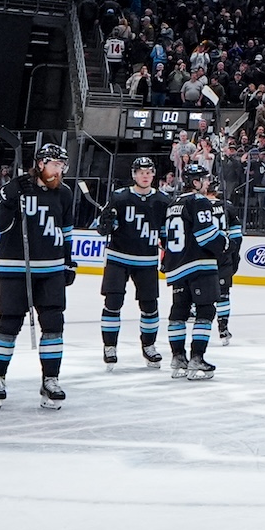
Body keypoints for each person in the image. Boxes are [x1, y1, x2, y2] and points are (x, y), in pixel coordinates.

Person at [0, 142, 75, 407]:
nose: (58, 170)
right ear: (40, 164)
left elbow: (66, 232)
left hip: (52, 270)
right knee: (9, 326)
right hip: (16, 269)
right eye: (54, 165)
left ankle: (51, 379)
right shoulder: (16, 189)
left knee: (54, 326)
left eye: (62, 165)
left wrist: (69, 263)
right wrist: (11, 197)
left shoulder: (65, 194)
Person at [97, 157, 166, 371]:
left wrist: (171, 256)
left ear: (153, 175)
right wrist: (106, 223)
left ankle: (149, 345)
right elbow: (103, 228)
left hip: (146, 260)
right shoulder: (119, 197)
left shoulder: (163, 201)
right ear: (134, 175)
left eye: (149, 171)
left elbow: (167, 233)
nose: (145, 175)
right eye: (141, 172)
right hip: (118, 258)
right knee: (113, 302)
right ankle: (109, 346)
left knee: (150, 306)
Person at [162, 162, 227, 381]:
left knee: (179, 311)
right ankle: (197, 357)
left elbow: (165, 236)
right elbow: (206, 235)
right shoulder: (199, 201)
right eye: (205, 179)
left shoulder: (173, 203)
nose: (208, 183)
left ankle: (177, 357)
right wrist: (225, 244)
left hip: (177, 265)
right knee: (206, 311)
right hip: (198, 264)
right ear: (196, 182)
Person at [209, 176, 243, 341]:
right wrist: (234, 256)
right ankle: (223, 327)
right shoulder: (227, 206)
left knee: (199, 292)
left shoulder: (194, 206)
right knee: (223, 294)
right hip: (223, 255)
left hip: (202, 255)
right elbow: (236, 237)